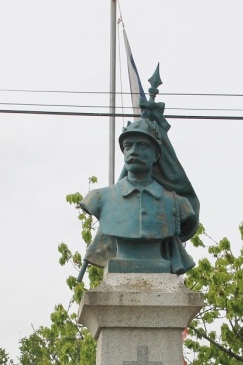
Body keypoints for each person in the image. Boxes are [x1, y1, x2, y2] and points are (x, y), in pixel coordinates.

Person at [80, 116, 199, 275]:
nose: (133, 151)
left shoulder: (177, 204)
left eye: (142, 146)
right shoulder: (99, 198)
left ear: (156, 155)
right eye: (128, 146)